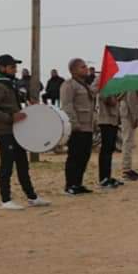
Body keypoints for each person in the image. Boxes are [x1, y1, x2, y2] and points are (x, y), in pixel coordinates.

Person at [0, 54, 50, 210]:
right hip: (4, 131)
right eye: (12, 67)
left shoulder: (10, 83)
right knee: (7, 165)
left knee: (22, 164)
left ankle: (32, 197)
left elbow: (15, 101)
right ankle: (5, 200)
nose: (15, 69)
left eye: (15, 66)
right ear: (2, 68)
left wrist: (29, 102)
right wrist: (10, 117)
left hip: (17, 131)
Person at [60, 58, 96, 195]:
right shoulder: (69, 85)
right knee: (74, 156)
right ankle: (70, 185)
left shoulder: (85, 85)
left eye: (85, 66)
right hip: (77, 127)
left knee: (84, 156)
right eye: (82, 67)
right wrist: (74, 124)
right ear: (73, 70)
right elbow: (67, 106)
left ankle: (78, 183)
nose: (86, 69)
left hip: (88, 126)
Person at [95, 85, 123, 188]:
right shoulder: (104, 87)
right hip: (105, 121)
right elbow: (110, 101)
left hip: (113, 121)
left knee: (110, 150)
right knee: (106, 150)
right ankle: (103, 178)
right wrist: (119, 94)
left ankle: (108, 176)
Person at [119, 91, 138, 181]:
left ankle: (127, 168)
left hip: (127, 112)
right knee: (128, 141)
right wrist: (135, 117)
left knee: (129, 141)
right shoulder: (131, 83)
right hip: (128, 114)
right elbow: (131, 101)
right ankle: (126, 169)